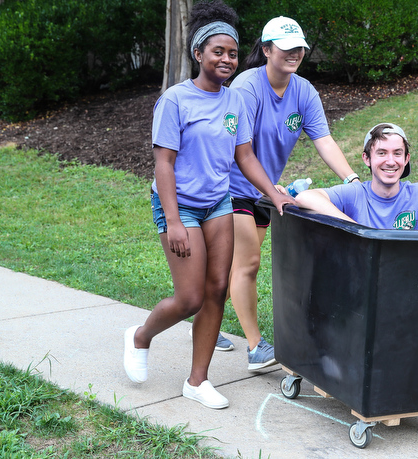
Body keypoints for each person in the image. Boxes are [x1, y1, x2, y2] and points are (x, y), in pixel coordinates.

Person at [122, 0, 294, 409]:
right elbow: (163, 164)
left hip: (219, 202)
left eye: (233, 53)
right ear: (198, 54)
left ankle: (197, 381)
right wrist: (175, 220)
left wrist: (273, 194)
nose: (227, 59)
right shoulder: (175, 100)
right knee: (190, 298)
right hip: (179, 204)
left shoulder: (236, 101)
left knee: (217, 289)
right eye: (218, 51)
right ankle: (140, 336)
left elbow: (245, 156)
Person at [220, 16, 360, 372]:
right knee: (248, 263)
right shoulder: (246, 87)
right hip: (231, 188)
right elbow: (241, 149)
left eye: (299, 48)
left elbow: (323, 141)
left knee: (235, 266)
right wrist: (269, 186)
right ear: (266, 50)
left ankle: (205, 315)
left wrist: (352, 179)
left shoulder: (303, 91)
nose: (294, 53)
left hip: (267, 193)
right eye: (286, 48)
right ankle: (255, 346)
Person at [294, 123, 418, 228]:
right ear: (367, 159)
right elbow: (305, 196)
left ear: (406, 159)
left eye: (397, 153)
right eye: (381, 153)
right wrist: (355, 228)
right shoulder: (355, 194)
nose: (390, 161)